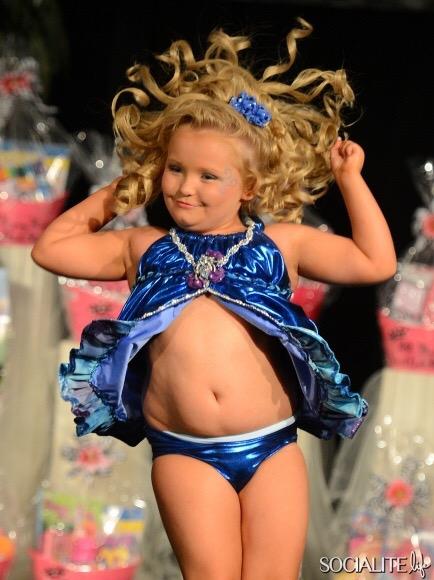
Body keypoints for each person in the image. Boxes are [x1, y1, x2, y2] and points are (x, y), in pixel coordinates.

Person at [31, 19, 396, 580]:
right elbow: (50, 249)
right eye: (175, 169)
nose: (185, 186)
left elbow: (376, 262)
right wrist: (125, 189)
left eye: (208, 176)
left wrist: (350, 179)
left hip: (272, 448)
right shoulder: (143, 246)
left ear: (248, 187)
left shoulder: (281, 245)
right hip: (186, 452)